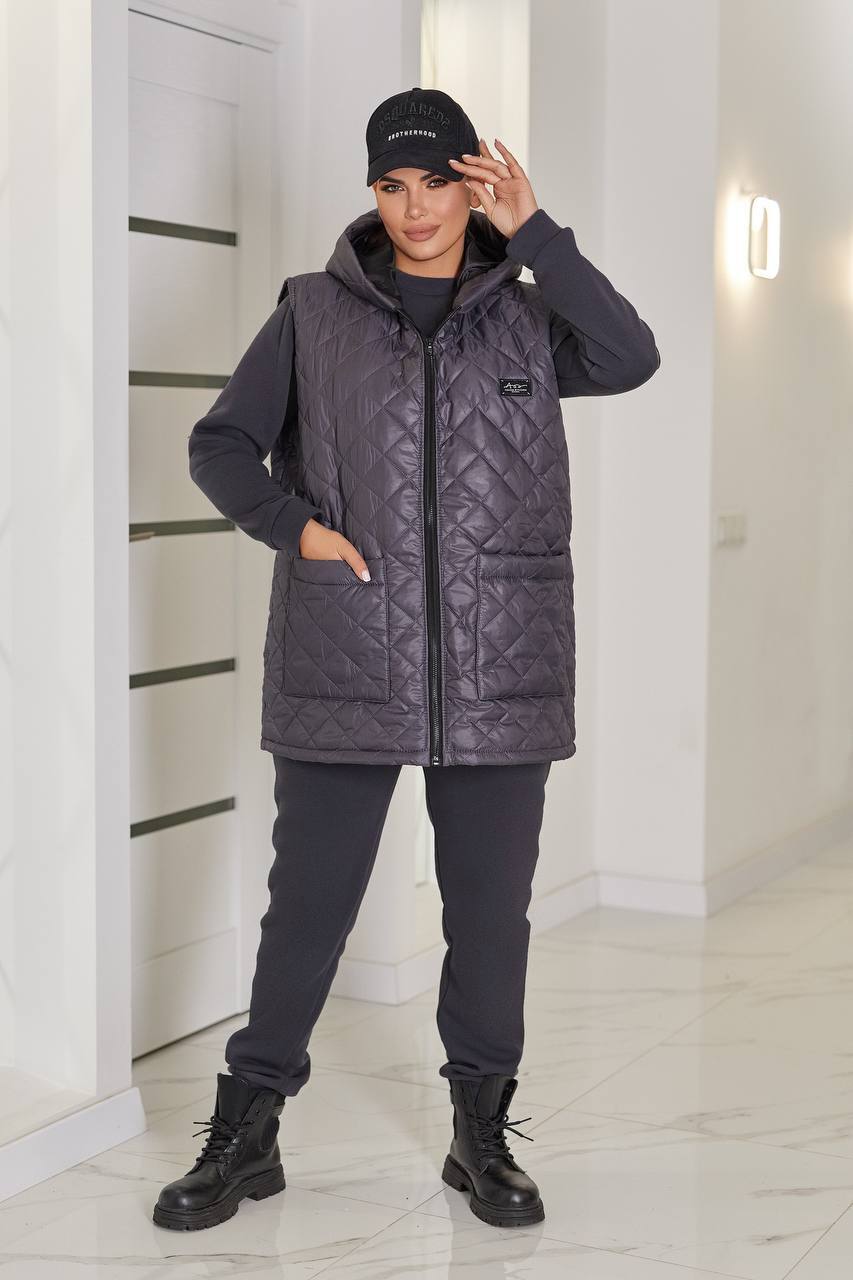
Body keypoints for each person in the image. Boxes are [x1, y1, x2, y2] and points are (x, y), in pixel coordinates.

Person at [153, 86, 660, 1233]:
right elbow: (221, 443)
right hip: (345, 646)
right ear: (372, 190)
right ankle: (246, 1132)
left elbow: (631, 354)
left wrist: (537, 232)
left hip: (501, 656)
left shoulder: (530, 317)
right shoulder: (310, 313)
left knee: (489, 913)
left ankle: (480, 1134)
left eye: (437, 182)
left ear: (473, 187)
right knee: (307, 907)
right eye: (393, 184)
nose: (415, 207)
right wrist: (295, 529)